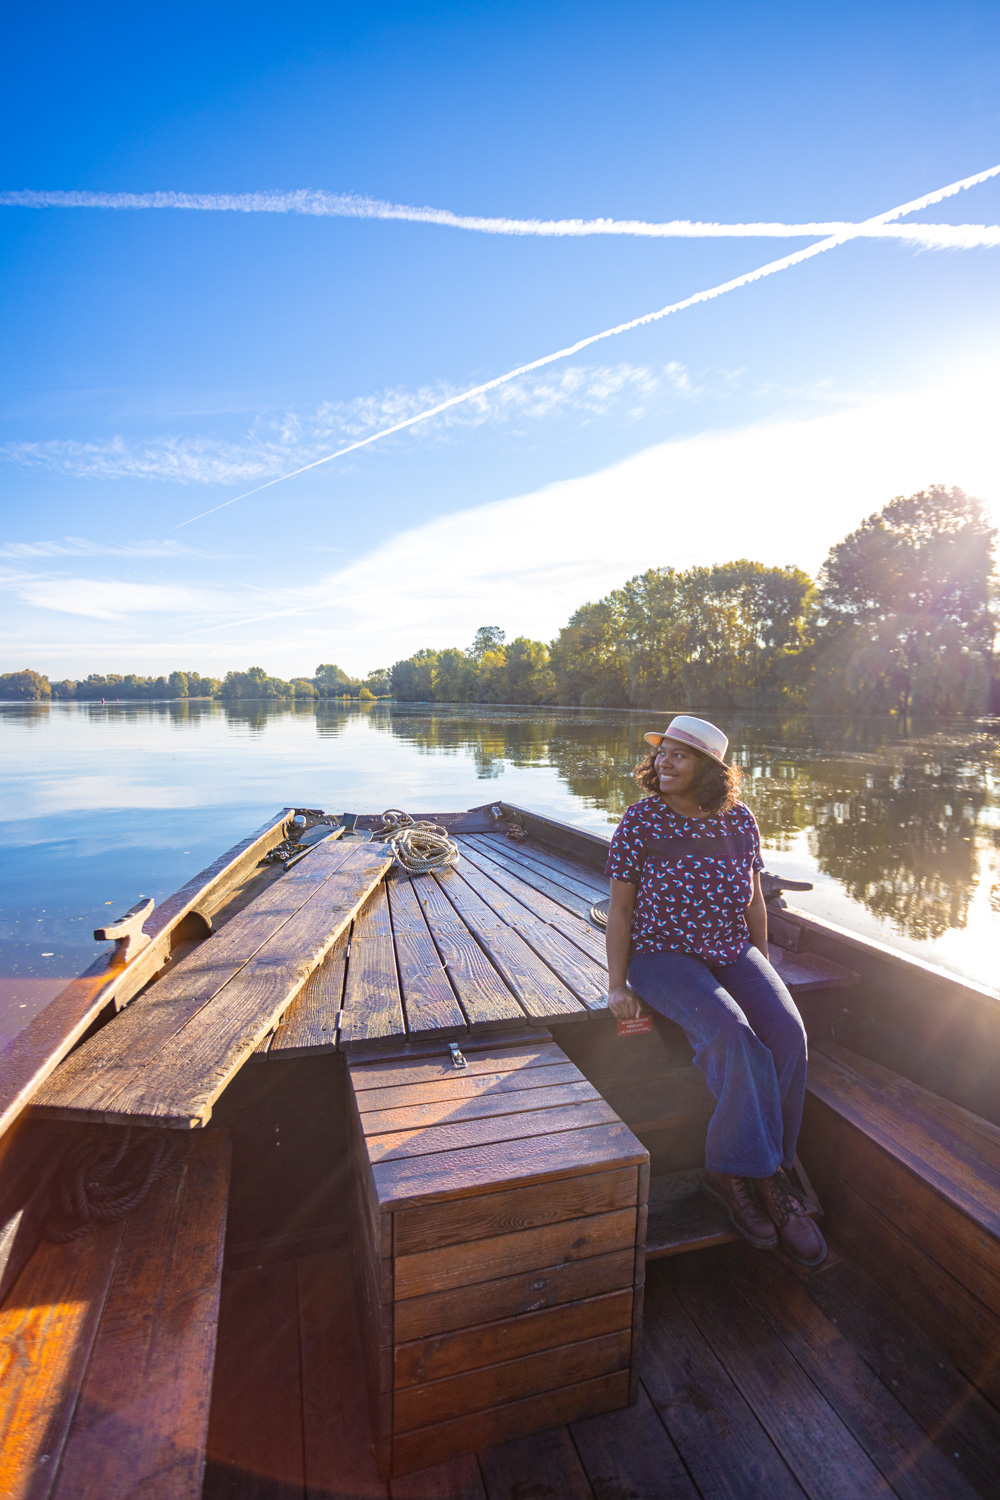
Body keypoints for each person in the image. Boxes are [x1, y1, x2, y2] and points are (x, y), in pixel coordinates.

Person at [604, 714, 826, 1266]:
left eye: (680, 754)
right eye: (662, 753)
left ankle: (772, 1168)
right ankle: (738, 1174)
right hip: (662, 958)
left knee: (788, 1033)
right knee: (733, 1036)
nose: (664, 761)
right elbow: (621, 909)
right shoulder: (641, 820)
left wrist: (765, 966)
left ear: (710, 769)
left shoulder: (740, 820)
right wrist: (614, 985)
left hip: (733, 950)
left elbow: (753, 899)